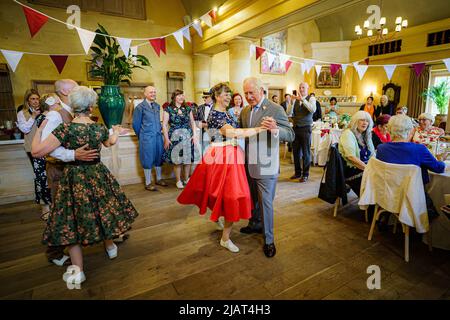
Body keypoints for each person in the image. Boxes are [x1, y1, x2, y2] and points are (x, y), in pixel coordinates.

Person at [31, 86, 138, 285]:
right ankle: (111, 247)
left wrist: (40, 127)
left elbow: (36, 151)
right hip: (98, 174)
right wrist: (115, 131)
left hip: (74, 177)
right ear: (90, 106)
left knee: (72, 221)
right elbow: (110, 143)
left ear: (74, 105)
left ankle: (78, 271)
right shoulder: (98, 128)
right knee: (103, 211)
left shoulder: (66, 129)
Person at [178, 83, 267, 253]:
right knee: (232, 196)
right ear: (217, 96)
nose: (229, 97)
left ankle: (219, 219)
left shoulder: (225, 112)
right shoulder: (217, 115)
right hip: (224, 156)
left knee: (221, 193)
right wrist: (259, 128)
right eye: (225, 94)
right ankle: (225, 239)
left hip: (226, 153)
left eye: (229, 94)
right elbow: (233, 133)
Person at [40, 80, 99, 267]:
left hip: (72, 169)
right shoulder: (55, 115)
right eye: (75, 87)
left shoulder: (71, 112)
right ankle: (54, 252)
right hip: (58, 169)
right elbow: (45, 147)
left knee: (72, 211)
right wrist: (73, 154)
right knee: (61, 213)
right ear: (66, 91)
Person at [239, 77, 295, 258]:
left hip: (266, 165)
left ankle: (269, 240)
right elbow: (243, 134)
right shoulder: (245, 111)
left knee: (266, 203)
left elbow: (291, 135)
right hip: (248, 162)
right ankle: (254, 223)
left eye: (251, 93)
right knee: (252, 197)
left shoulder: (276, 109)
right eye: (245, 93)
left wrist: (275, 129)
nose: (248, 97)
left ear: (261, 90)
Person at [376, 114, 447, 221]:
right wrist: (441, 159)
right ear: (410, 130)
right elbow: (439, 168)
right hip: (412, 197)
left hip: (387, 194)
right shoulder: (419, 149)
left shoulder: (381, 148)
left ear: (389, 129)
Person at [132, 86, 167, 191]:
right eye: (151, 92)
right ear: (145, 94)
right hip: (147, 137)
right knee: (147, 158)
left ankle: (159, 179)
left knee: (158, 157)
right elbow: (136, 125)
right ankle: (148, 182)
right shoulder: (140, 107)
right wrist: (142, 136)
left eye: (154, 92)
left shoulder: (157, 106)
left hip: (158, 136)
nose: (153, 94)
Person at [162, 89, 199, 189]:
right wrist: (166, 139)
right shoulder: (168, 109)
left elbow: (192, 122)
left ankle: (186, 179)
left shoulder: (188, 108)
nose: (181, 97)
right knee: (177, 160)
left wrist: (194, 135)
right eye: (179, 95)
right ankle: (178, 180)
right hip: (175, 137)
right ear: (174, 97)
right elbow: (164, 125)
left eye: (182, 95)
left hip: (188, 136)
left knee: (187, 160)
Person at [338, 110, 375, 197]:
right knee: (376, 180)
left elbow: (372, 154)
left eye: (367, 121)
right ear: (355, 122)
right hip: (352, 170)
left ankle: (379, 205)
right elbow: (351, 157)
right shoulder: (348, 134)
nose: (365, 123)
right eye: (361, 120)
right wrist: (368, 169)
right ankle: (370, 205)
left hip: (363, 167)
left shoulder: (365, 135)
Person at [290, 83, 317, 183]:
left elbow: (313, 109)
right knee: (295, 152)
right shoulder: (296, 100)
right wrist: (291, 102)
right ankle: (297, 173)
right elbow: (289, 113)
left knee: (306, 153)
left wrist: (303, 100)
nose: (301, 89)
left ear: (307, 89)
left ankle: (305, 174)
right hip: (296, 128)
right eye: (300, 87)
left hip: (306, 128)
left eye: (303, 87)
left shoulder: (311, 98)